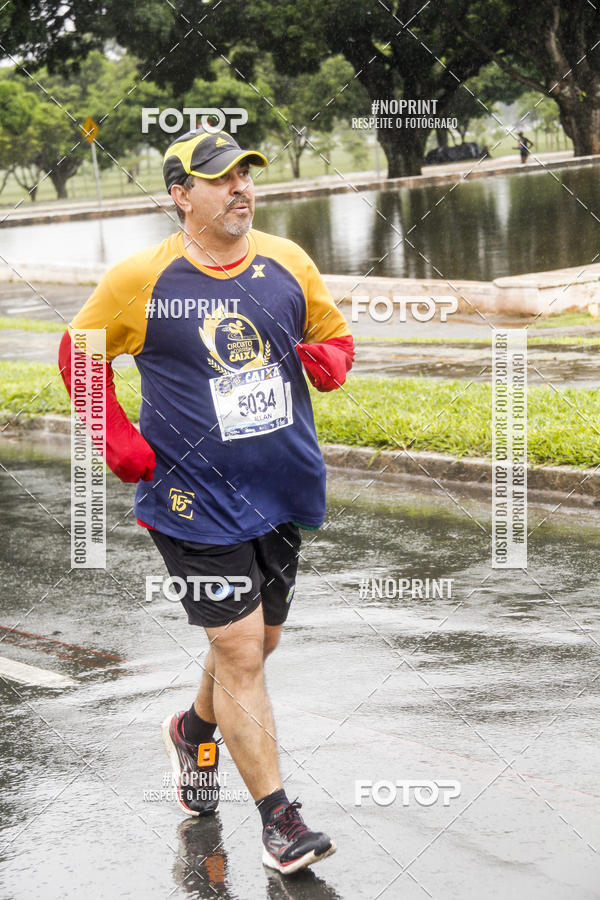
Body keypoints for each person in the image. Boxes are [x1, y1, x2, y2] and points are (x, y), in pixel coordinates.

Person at [58, 127, 354, 875]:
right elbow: (78, 354)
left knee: (261, 643)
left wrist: (333, 359)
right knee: (238, 647)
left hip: (281, 486)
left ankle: (194, 732)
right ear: (180, 195)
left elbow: (332, 329)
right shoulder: (141, 280)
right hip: (189, 501)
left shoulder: (288, 260)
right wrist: (118, 442)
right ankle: (279, 821)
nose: (240, 189)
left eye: (246, 175)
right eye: (220, 180)